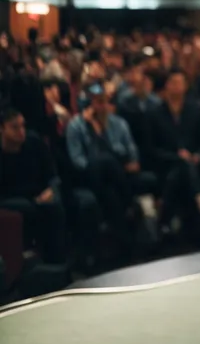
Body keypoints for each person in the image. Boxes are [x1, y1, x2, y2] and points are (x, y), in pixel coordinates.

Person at [65, 83, 148, 253]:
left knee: (110, 193)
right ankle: (130, 202)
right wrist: (95, 132)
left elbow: (132, 153)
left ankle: (126, 246)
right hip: (89, 175)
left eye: (103, 102)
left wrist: (119, 158)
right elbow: (78, 162)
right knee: (104, 161)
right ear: (88, 105)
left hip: (114, 177)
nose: (101, 107)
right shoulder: (76, 126)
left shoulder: (118, 123)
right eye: (96, 102)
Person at [148, 69, 200, 224]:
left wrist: (198, 155)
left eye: (180, 83)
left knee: (182, 172)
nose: (176, 87)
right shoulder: (154, 114)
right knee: (179, 169)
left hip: (194, 162)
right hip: (166, 163)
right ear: (166, 86)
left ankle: (164, 221)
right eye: (173, 83)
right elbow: (151, 149)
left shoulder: (196, 111)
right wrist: (176, 157)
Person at [0, 109, 66, 263]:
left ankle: (58, 264)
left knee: (55, 205)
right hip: (9, 198)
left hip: (38, 195)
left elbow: (52, 175)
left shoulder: (33, 142)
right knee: (29, 207)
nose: (21, 131)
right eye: (15, 127)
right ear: (2, 128)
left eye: (23, 126)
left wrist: (51, 190)